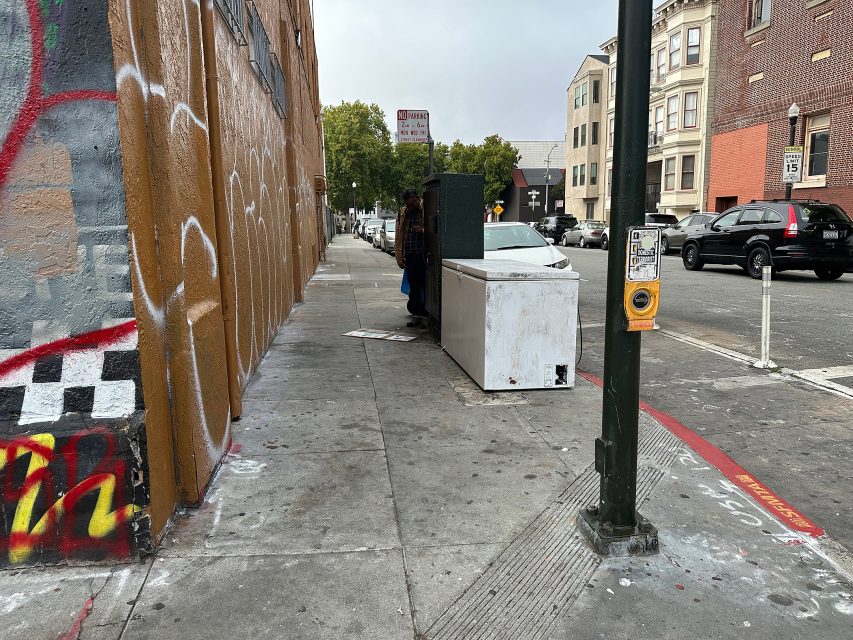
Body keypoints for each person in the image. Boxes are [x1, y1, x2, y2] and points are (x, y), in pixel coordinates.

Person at [395, 189, 427, 318]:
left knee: (424, 284)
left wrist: (423, 230)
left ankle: (425, 311)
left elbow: (434, 229)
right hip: (409, 255)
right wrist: (399, 257)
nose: (411, 207)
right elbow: (399, 235)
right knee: (413, 286)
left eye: (413, 203)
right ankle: (416, 312)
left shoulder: (425, 209)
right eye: (408, 204)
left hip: (422, 255)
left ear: (418, 199)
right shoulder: (404, 213)